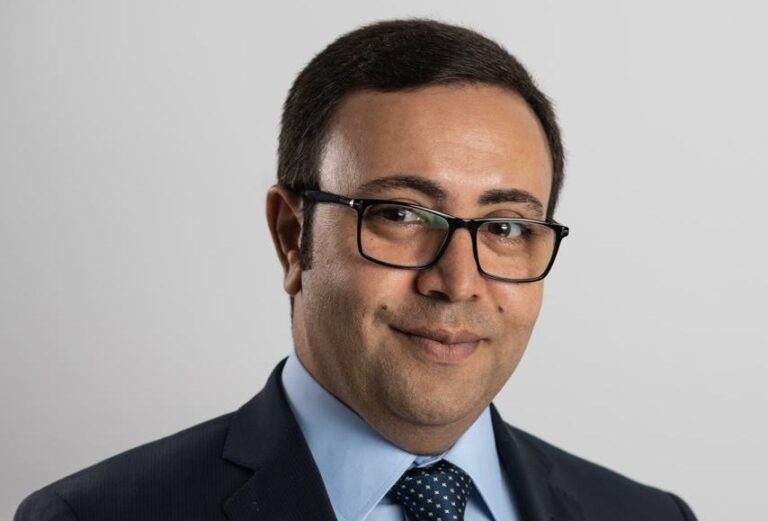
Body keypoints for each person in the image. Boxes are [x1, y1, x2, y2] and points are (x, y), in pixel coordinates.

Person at [14, 19, 698, 521]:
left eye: (505, 227)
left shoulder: (648, 515)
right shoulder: (91, 516)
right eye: (400, 214)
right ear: (292, 238)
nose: (458, 282)